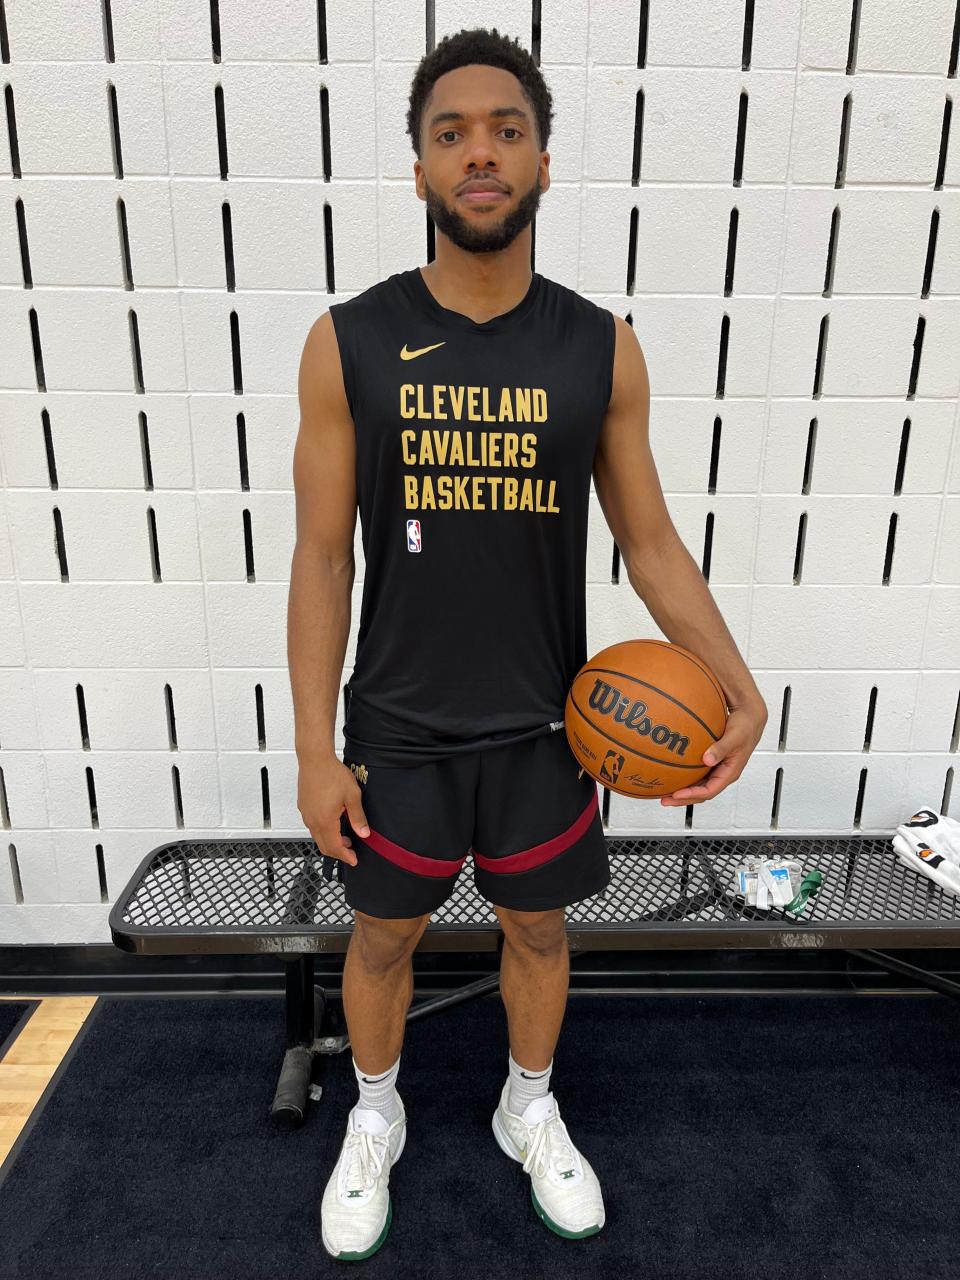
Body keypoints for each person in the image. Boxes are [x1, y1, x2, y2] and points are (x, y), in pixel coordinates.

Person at [288, 26, 767, 1263]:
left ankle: (526, 1104)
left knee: (541, 930)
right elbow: (320, 557)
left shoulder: (599, 346)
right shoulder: (348, 341)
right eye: (451, 133)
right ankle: (377, 1115)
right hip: (397, 723)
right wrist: (311, 747)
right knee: (383, 935)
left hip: (550, 724)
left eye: (506, 128)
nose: (481, 151)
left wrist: (739, 686)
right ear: (419, 171)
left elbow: (651, 543)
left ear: (544, 160)